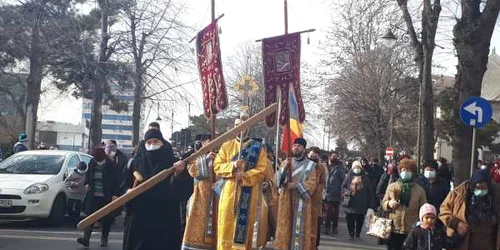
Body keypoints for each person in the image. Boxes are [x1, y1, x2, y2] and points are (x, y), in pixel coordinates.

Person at [122, 129, 192, 250]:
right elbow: (123, 185)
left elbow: (184, 192)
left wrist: (178, 175)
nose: (152, 145)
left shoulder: (173, 164)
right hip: (139, 219)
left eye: (155, 141)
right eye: (149, 142)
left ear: (162, 143)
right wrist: (128, 192)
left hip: (164, 219)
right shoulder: (136, 164)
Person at [212, 115, 268, 249]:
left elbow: (262, 170)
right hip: (229, 193)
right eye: (237, 125)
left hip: (248, 194)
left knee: (244, 230)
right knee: (226, 227)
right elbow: (217, 166)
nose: (240, 128)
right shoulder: (226, 146)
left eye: (244, 125)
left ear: (248, 127)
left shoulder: (258, 148)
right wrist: (232, 166)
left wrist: (244, 175)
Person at [439, 169, 500, 250]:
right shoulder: (458, 194)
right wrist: (455, 223)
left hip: (488, 244)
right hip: (464, 244)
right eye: (478, 187)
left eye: (484, 187)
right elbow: (443, 211)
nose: (481, 190)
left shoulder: (496, 196)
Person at [274, 138, 317, 250]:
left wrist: (296, 185)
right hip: (286, 201)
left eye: (299, 146)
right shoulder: (285, 162)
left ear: (304, 149)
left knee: (299, 229)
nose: (296, 147)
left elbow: (312, 184)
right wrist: (285, 169)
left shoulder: (311, 165)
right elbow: (278, 181)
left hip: (301, 202)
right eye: (294, 145)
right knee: (285, 229)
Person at [77, 148, 120, 247]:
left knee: (106, 219)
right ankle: (86, 238)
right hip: (93, 195)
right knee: (90, 216)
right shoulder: (92, 162)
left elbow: (117, 181)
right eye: (96, 160)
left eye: (99, 160)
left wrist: (115, 194)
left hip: (107, 195)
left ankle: (104, 239)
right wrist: (87, 184)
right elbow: (88, 175)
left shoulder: (111, 165)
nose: (97, 162)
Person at [182, 134, 217, 250]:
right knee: (196, 226)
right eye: (206, 141)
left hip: (216, 196)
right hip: (199, 197)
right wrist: (206, 160)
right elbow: (193, 171)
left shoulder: (219, 155)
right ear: (202, 143)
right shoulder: (196, 157)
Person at [382, 159, 427, 250]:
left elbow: (424, 210)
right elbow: (383, 205)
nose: (405, 172)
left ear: (413, 172)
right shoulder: (393, 186)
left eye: (408, 170)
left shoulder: (419, 190)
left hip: (411, 230)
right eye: (403, 170)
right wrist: (389, 204)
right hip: (394, 228)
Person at [252, 145, 279, 249]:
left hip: (261, 196)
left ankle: (258, 244)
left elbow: (272, 180)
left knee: (260, 220)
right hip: (246, 193)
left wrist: (267, 184)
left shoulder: (266, 162)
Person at [341, 160, 373, 240]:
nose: (357, 169)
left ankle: (358, 232)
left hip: (361, 203)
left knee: (360, 219)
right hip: (350, 202)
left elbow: (369, 192)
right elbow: (343, 186)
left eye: (358, 167)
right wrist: (346, 192)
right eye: (355, 167)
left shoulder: (365, 178)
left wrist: (370, 204)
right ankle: (351, 232)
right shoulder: (348, 176)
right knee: (350, 219)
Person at [307, 146, 327, 248]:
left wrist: (315, 189)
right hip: (303, 199)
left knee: (315, 225)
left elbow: (323, 182)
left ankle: (314, 245)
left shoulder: (321, 167)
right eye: (311, 156)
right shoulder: (303, 164)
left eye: (315, 157)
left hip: (315, 200)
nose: (312, 158)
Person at [325, 152, 345, 235]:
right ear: (329, 157)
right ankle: (327, 227)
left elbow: (343, 181)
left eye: (336, 156)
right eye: (333, 156)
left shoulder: (339, 168)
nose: (335, 157)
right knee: (327, 212)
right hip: (325, 193)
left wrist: (342, 192)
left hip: (336, 193)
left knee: (335, 213)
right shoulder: (324, 166)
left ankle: (334, 227)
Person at [64, 161, 87, 227]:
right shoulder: (72, 174)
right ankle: (70, 221)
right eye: (80, 169)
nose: (81, 171)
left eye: (83, 170)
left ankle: (75, 222)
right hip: (72, 194)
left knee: (78, 209)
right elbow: (66, 182)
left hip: (81, 195)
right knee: (70, 208)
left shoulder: (86, 174)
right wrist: (73, 183)